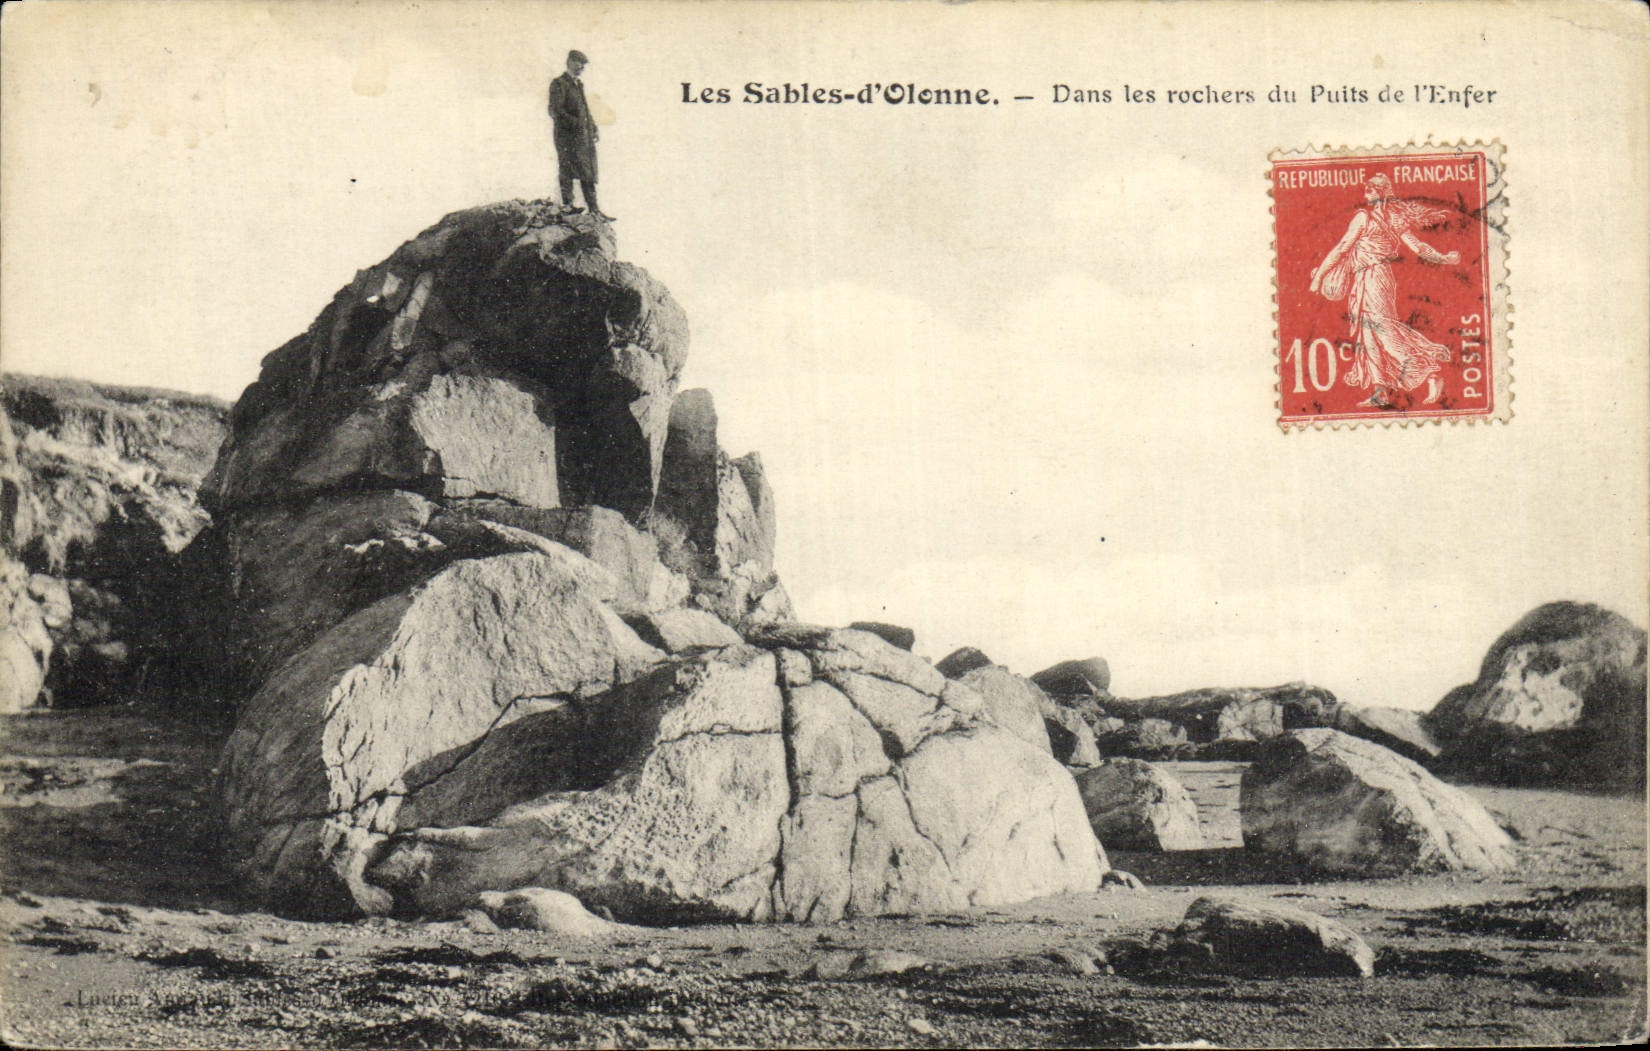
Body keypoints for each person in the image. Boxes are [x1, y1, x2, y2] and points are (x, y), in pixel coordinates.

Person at [1309, 174, 1459, 407]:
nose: (1366, 191)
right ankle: (1380, 391)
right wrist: (1444, 258)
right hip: (1372, 277)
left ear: (1382, 192)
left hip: (1374, 278)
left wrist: (1318, 277)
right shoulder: (1393, 219)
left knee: (1382, 330)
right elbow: (1418, 247)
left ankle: (1426, 369)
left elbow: (1341, 248)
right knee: (1369, 334)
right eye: (1366, 187)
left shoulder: (1363, 217)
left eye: (1371, 188)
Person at [548, 50, 612, 220]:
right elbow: (555, 110)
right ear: (569, 62)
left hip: (582, 137)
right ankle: (567, 205)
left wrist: (593, 126)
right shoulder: (559, 84)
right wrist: (576, 124)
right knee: (567, 168)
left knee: (587, 170)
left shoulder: (578, 85)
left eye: (583, 65)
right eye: (578, 63)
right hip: (566, 136)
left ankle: (594, 209)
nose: (581, 68)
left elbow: (584, 109)